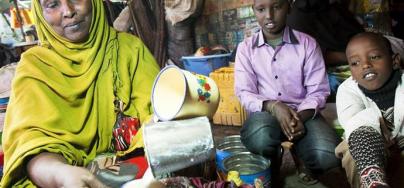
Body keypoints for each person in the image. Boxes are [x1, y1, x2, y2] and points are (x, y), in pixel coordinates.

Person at [1, 0, 160, 187]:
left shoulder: (130, 50)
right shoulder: (35, 68)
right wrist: (60, 173)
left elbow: (161, 119)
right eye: (52, 5)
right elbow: (31, 145)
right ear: (40, 14)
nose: (68, 11)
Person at [234, 0, 341, 186]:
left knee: (327, 155)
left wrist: (299, 117)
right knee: (260, 136)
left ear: (289, 7)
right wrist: (274, 106)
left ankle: (303, 157)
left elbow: (318, 90)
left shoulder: (307, 44)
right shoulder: (246, 49)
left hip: (304, 114)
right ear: (254, 11)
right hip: (265, 114)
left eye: (277, 7)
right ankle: (273, 157)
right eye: (261, 9)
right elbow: (245, 92)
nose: (269, 15)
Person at [335, 32, 404, 188]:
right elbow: (357, 124)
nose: (365, 65)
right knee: (350, 148)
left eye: (374, 57)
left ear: (395, 61)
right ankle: (373, 182)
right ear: (351, 72)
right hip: (366, 142)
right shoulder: (347, 91)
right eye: (355, 63)